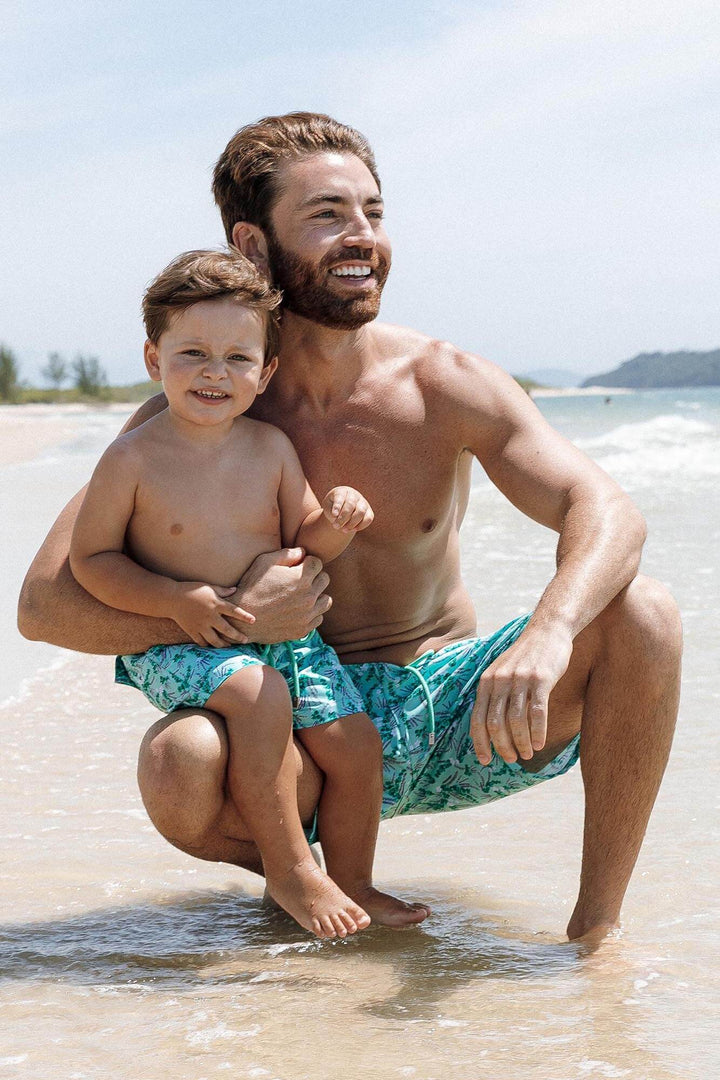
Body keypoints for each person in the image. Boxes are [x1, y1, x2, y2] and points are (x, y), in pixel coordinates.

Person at [19, 112, 682, 944]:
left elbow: (608, 509)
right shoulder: (194, 420)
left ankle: (596, 933)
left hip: (442, 708)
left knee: (644, 615)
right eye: (328, 215)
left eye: (373, 211)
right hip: (286, 724)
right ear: (253, 247)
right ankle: (298, 870)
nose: (362, 236)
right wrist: (227, 612)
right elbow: (46, 603)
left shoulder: (445, 382)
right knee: (178, 761)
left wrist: (548, 632)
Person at [68, 248, 430, 938]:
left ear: (264, 374)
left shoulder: (269, 449)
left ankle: (353, 881)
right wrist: (175, 600)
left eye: (238, 359)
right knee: (258, 698)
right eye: (194, 353)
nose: (215, 372)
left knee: (354, 743)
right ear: (154, 359)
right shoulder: (132, 458)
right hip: (184, 641)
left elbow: (307, 539)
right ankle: (290, 871)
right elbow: (91, 561)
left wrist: (339, 519)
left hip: (287, 640)